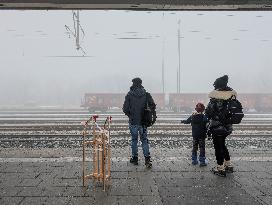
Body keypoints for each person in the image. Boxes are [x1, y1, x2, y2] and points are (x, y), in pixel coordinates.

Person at [205, 75, 236, 177]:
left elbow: (208, 112)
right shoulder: (231, 97)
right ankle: (228, 164)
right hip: (227, 127)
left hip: (217, 127)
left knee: (218, 147)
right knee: (222, 144)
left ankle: (220, 168)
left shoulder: (216, 97)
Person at [123, 77, 155, 168]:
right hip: (143, 122)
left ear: (133, 84)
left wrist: (131, 115)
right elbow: (152, 106)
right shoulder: (146, 94)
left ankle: (135, 158)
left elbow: (125, 109)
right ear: (141, 83)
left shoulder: (129, 94)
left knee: (134, 140)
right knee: (144, 140)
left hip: (133, 121)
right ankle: (147, 160)